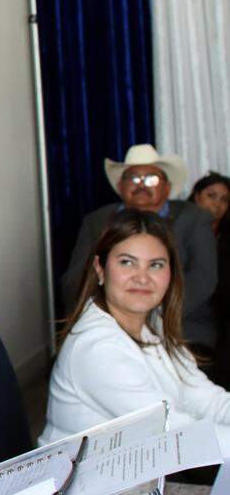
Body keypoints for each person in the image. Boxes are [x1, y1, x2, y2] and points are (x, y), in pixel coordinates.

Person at [40, 209, 230, 454]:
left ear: (171, 274)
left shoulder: (152, 322)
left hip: (138, 465)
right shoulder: (97, 348)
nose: (142, 278)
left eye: (156, 265)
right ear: (100, 269)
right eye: (127, 262)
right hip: (84, 475)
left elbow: (203, 397)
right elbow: (174, 434)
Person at [60, 144, 218, 357]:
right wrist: (115, 319)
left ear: (167, 187)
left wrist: (150, 317)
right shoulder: (96, 221)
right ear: (120, 186)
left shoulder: (194, 219)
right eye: (133, 178)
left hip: (183, 329)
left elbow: (204, 278)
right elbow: (75, 280)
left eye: (151, 179)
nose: (142, 184)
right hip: (111, 326)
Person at [189, 171, 230, 387]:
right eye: (211, 195)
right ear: (196, 196)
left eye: (224, 200)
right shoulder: (180, 232)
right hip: (190, 317)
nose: (217, 204)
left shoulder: (225, 237)